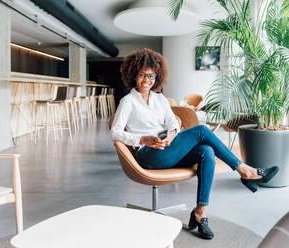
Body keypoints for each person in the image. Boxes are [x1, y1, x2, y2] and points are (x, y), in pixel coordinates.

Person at [110, 48, 279, 240]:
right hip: (148, 155)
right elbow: (115, 132)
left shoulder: (159, 99)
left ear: (157, 76)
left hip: (168, 148)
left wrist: (172, 135)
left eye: (151, 75)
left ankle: (200, 213)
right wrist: (143, 139)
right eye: (143, 75)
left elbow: (173, 123)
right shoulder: (128, 101)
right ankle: (245, 171)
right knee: (202, 131)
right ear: (134, 74)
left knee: (206, 151)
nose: (147, 80)